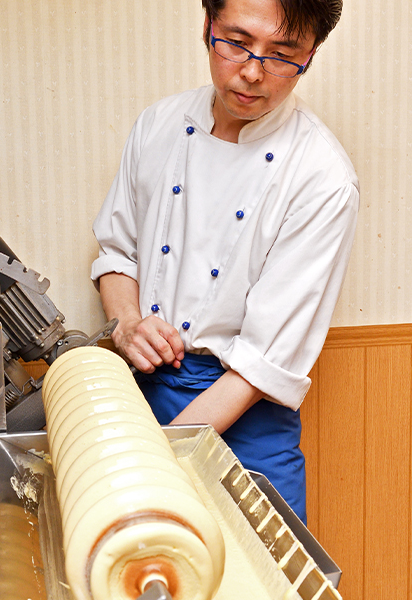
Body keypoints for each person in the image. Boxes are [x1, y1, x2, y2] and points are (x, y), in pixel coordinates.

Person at [90, 0, 359, 524]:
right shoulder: (159, 124)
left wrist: (159, 460)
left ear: (312, 52)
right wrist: (126, 325)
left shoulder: (323, 177)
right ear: (207, 25)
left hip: (246, 416)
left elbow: (262, 363)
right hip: (138, 390)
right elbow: (119, 253)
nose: (254, 72)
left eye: (283, 55)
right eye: (236, 42)